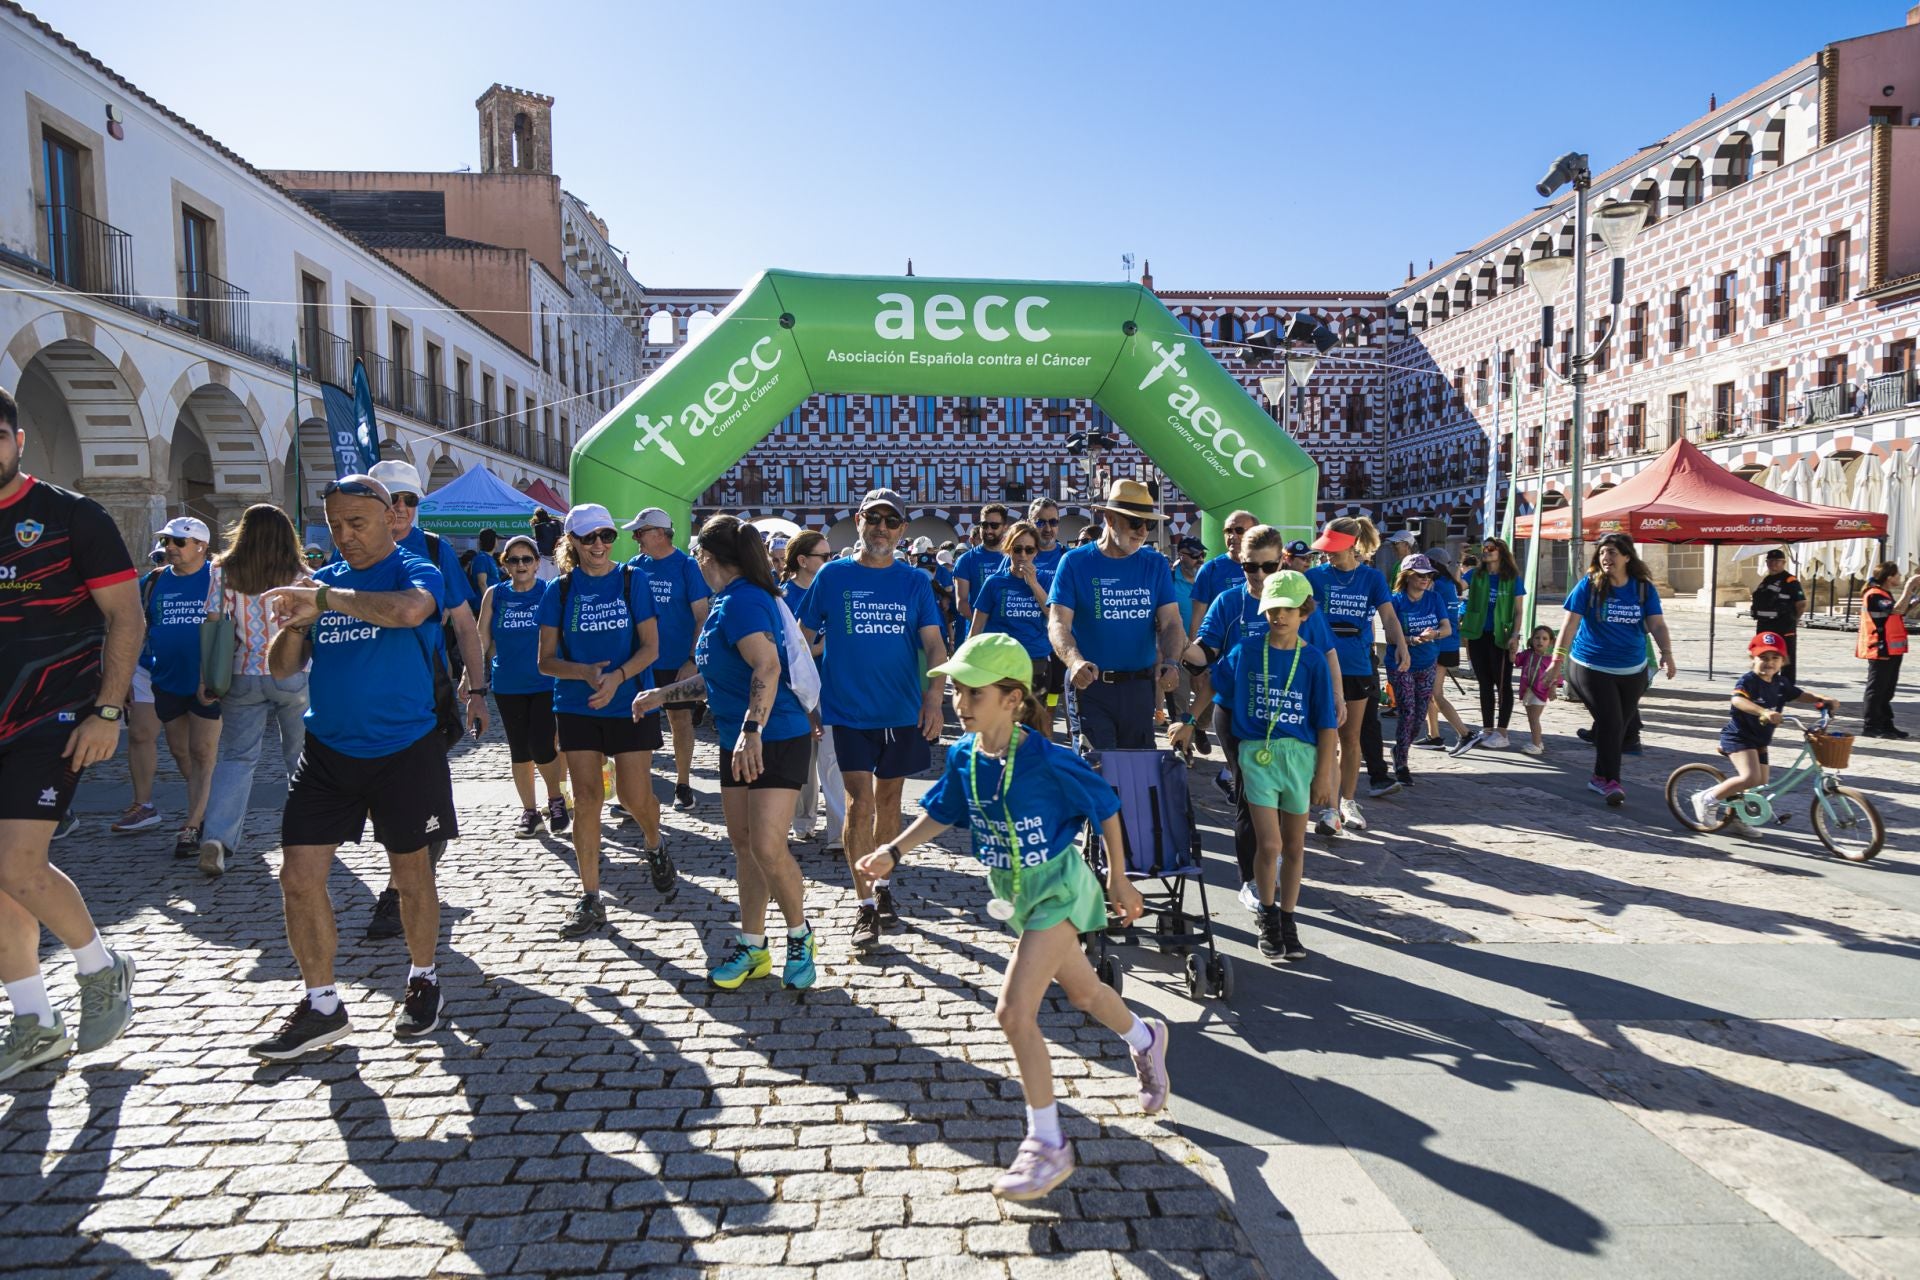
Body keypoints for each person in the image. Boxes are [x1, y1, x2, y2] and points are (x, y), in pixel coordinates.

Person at [855, 633, 1167, 1201]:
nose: (959, 700)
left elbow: (1108, 807)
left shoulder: (1048, 759)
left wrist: (1119, 876)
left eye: (973, 690)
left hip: (1058, 891)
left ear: (1012, 697)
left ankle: (1048, 1144)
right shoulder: (964, 756)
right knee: (1086, 994)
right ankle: (1146, 1038)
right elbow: (941, 813)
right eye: (954, 689)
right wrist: (894, 852)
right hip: (1017, 894)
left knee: (1012, 1012)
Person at [251, 474, 456, 1060]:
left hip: (404, 750)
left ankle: (423, 979)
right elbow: (283, 668)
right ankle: (321, 1005)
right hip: (327, 753)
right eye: (335, 525)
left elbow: (409, 611)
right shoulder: (321, 584)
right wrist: (296, 621)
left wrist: (323, 599)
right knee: (297, 877)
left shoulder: (416, 570)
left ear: (391, 518)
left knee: (411, 879)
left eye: (356, 524)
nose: (344, 537)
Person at [0, 387, 141, 1082]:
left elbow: (126, 617)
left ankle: (101, 966)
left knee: (17, 865)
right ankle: (34, 1022)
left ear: (18, 440)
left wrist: (108, 712)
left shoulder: (70, 516)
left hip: (52, 716)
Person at [640, 515, 817, 990]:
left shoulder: (744, 601)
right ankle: (753, 946)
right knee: (744, 847)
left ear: (709, 558)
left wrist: (752, 729)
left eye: (698, 553)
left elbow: (768, 665)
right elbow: (720, 679)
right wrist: (662, 696)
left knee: (766, 845)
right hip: (738, 740)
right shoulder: (726, 603)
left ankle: (800, 938)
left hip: (774, 736)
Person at [797, 488, 947, 952]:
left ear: (902, 531)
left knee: (890, 801)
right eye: (874, 518)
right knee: (859, 802)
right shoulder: (833, 577)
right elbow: (802, 641)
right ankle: (864, 907)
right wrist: (809, 700)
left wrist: (935, 700)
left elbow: (935, 646)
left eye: (892, 521)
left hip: (902, 711)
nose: (881, 527)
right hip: (849, 713)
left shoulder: (915, 583)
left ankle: (883, 887)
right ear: (859, 521)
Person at [1173, 526, 1341, 906]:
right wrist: (1181, 652)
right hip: (1238, 717)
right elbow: (1207, 654)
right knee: (1248, 798)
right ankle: (1252, 878)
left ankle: (1274, 863)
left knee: (1286, 810)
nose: (1259, 576)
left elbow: (1325, 653)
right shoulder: (1230, 602)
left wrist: (1337, 699)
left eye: (1267, 566)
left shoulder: (1299, 602)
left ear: (1280, 561)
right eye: (1250, 567)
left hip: (1290, 723)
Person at [360, 460, 488, 940]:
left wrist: (476, 691)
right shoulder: (350, 548)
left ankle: (399, 891)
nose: (401, 510)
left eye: (410, 500)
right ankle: (410, 875)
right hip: (367, 692)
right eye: (392, 500)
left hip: (426, 690)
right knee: (381, 798)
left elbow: (464, 625)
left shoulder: (434, 549)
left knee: (423, 796)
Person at [537, 504, 664, 937]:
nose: (598, 545)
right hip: (576, 705)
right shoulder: (558, 590)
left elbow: (651, 648)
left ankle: (654, 844)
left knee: (634, 797)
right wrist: (586, 674)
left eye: (606, 536)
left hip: (630, 703)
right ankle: (590, 896)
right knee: (587, 799)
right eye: (589, 538)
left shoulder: (634, 580)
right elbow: (546, 661)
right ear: (571, 541)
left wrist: (616, 678)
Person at [1212, 572, 1338, 961]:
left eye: (1287, 610)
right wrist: (1188, 718)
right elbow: (1220, 693)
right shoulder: (1246, 651)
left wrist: (1323, 777)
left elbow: (1327, 723)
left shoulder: (1313, 659)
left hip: (1300, 759)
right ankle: (1267, 914)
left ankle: (1288, 919)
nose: (1278, 617)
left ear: (1304, 612)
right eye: (1271, 610)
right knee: (1270, 844)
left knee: (1296, 847)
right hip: (1258, 754)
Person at [197, 504, 310, 876]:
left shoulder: (223, 571)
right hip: (292, 672)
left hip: (242, 673)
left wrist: (207, 677)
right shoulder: (300, 573)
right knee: (301, 757)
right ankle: (307, 835)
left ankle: (216, 837)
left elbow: (213, 623)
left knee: (236, 759)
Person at [1048, 480, 1184, 751]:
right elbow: (1058, 622)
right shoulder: (1075, 562)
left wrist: (1171, 661)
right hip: (1091, 686)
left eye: (1149, 524)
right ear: (1109, 518)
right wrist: (1074, 662)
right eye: (1135, 523)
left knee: (1138, 771)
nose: (1143, 531)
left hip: (1140, 688)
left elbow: (1170, 622)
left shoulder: (1155, 563)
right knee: (1099, 771)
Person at [118, 516, 223, 859]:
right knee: (181, 753)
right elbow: (132, 627)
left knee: (203, 754)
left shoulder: (219, 578)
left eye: (178, 542)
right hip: (165, 679)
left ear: (201, 546)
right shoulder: (154, 581)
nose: (170, 548)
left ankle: (192, 826)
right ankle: (205, 809)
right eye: (167, 542)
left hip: (208, 683)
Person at [1545, 532, 1677, 805]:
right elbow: (1569, 625)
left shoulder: (1642, 588)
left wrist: (1666, 653)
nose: (1606, 558)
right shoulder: (1589, 585)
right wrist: (1556, 662)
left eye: (1613, 552)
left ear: (1627, 556)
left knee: (1617, 727)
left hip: (1633, 670)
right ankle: (1612, 782)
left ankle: (1598, 777)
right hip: (1590, 666)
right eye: (1602, 552)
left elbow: (1657, 624)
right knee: (1612, 723)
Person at [1305, 517, 1409, 832]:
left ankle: (1347, 801)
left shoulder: (1372, 578)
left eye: (1334, 550)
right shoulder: (1313, 577)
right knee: (1323, 737)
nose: (1328, 555)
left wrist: (1401, 646)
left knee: (1351, 738)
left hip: (1357, 665)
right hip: (1319, 666)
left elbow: (1388, 616)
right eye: (1326, 550)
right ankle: (1327, 807)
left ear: (1351, 546)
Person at [477, 535, 569, 839]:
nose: (520, 565)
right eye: (513, 560)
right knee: (519, 750)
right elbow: (481, 639)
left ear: (537, 564)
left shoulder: (549, 591)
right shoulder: (495, 594)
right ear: (505, 565)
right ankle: (529, 811)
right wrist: (471, 677)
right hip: (507, 684)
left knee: (543, 746)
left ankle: (555, 800)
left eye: (526, 559)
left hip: (545, 681)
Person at [1694, 633, 1837, 826]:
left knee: (1759, 783)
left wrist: (1823, 699)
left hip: (1760, 740)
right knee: (1750, 777)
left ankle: (1739, 818)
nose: (1769, 663)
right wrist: (1764, 712)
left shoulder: (1780, 683)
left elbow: (1801, 695)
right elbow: (1737, 699)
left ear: (1783, 661)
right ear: (1753, 658)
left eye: (1775, 658)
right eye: (1763, 657)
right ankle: (1707, 799)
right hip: (1739, 738)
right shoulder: (1749, 681)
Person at [625, 507, 713, 814]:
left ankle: (683, 785)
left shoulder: (687, 566)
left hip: (677, 661)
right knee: (640, 726)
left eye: (640, 532)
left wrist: (692, 659)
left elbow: (702, 617)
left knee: (680, 721)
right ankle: (638, 791)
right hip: (643, 662)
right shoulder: (635, 565)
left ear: (660, 533)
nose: (635, 537)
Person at [781, 532, 843, 849]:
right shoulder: (782, 597)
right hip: (796, 692)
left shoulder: (832, 590)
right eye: (824, 557)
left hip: (832, 687)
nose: (830, 562)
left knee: (833, 763)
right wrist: (827, 644)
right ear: (803, 561)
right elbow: (791, 652)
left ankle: (838, 833)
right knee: (804, 763)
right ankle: (803, 822)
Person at [971, 520, 1057, 739]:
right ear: (1008, 549)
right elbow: (977, 626)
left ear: (1036, 552)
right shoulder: (995, 582)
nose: (1023, 555)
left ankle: (1032, 769)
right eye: (1017, 549)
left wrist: (1033, 583)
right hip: (1001, 664)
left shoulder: (1046, 580)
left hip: (1035, 663)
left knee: (1033, 727)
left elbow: (1052, 614)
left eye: (1029, 549)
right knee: (1002, 725)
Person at [1187, 512, 1256, 753]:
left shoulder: (1275, 575)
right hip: (1220, 665)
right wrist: (1196, 666)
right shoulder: (1211, 569)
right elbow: (1197, 617)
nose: (1232, 536)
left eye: (1239, 530)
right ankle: (1198, 727)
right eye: (1228, 531)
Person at [1457, 535, 1527, 753]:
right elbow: (1457, 585)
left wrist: (1515, 635)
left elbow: (1518, 611)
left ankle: (1502, 732)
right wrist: (1459, 559)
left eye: (1491, 548)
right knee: (1484, 683)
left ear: (1501, 551)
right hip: (1478, 634)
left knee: (1503, 685)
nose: (1486, 551)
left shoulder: (1511, 577)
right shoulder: (1476, 574)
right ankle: (1487, 729)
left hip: (1501, 636)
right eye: (1484, 548)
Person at [1386, 554, 1451, 787]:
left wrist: (1435, 635)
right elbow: (1390, 636)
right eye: (1420, 575)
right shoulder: (1395, 601)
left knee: (1420, 714)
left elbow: (1447, 627)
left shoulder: (1434, 598)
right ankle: (1402, 762)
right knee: (1408, 711)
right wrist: (1413, 639)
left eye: (1429, 575)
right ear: (1407, 576)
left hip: (1427, 663)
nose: (1425, 579)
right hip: (1401, 664)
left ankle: (1399, 749)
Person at [1418, 545, 1473, 751]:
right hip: (1448, 643)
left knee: (1435, 693)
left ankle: (1465, 733)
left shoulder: (1436, 585)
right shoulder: (1449, 582)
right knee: (1430, 693)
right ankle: (1434, 736)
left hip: (1442, 643)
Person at [1858, 562, 1920, 738]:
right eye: (1897, 575)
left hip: (1891, 649)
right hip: (1880, 647)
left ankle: (1885, 723)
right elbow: (1896, 610)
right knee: (1877, 689)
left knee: (1887, 689)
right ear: (1889, 577)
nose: (1900, 577)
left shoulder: (1884, 594)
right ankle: (1871, 725)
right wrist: (1909, 586)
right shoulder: (1874, 594)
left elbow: (1901, 611)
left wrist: (1915, 596)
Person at [953, 503, 1010, 638]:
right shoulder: (966, 560)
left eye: (994, 526)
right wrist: (981, 626)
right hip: (980, 636)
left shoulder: (1014, 556)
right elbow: (961, 603)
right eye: (984, 525)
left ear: (1005, 527)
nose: (988, 530)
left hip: (1011, 635)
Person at [1751, 549, 1805, 686]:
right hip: (1765, 626)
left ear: (1783, 563)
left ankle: (1787, 687)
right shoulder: (1767, 580)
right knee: (1766, 655)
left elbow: (1801, 603)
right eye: (1770, 561)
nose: (1773, 564)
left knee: (1786, 657)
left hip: (1784, 626)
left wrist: (1793, 620)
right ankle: (1768, 683)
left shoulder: (1790, 580)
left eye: (1777, 561)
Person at [1516, 626, 1559, 755]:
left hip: (1540, 693)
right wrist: (1513, 648)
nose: (1540, 641)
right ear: (1532, 640)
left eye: (1544, 639)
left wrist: (1553, 689)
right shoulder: (1527, 654)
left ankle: (1536, 745)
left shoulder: (1551, 660)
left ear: (1551, 642)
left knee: (1534, 719)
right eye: (1537, 638)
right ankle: (1538, 742)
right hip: (1527, 691)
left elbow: (1556, 677)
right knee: (1531, 718)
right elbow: (1516, 660)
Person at [1028, 498, 1067, 574]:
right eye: (1040, 522)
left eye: (1053, 522)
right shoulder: (1017, 556)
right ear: (1029, 524)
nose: (1048, 529)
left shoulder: (1070, 557)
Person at [467, 528, 502, 603]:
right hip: (482, 605)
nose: (498, 541)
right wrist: (489, 604)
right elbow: (482, 583)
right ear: (491, 540)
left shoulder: (489, 558)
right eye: (496, 539)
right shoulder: (481, 558)